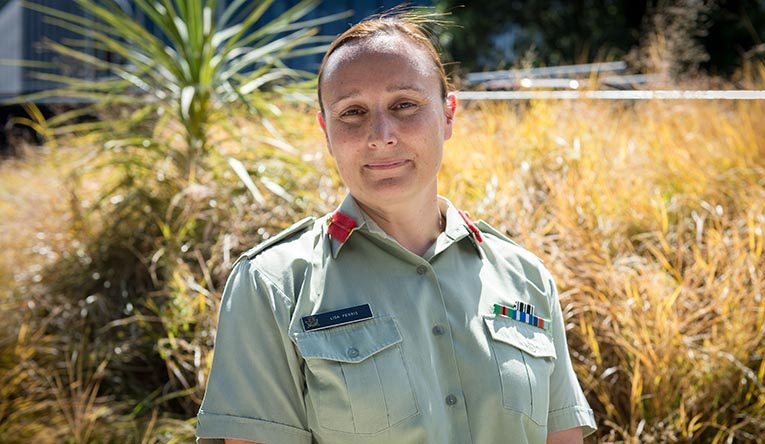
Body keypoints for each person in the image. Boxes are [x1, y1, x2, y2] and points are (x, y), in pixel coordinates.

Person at [196, 12, 596, 444]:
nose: (381, 134)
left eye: (404, 104)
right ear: (326, 132)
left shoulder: (526, 278)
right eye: (352, 112)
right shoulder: (274, 286)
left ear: (448, 114)